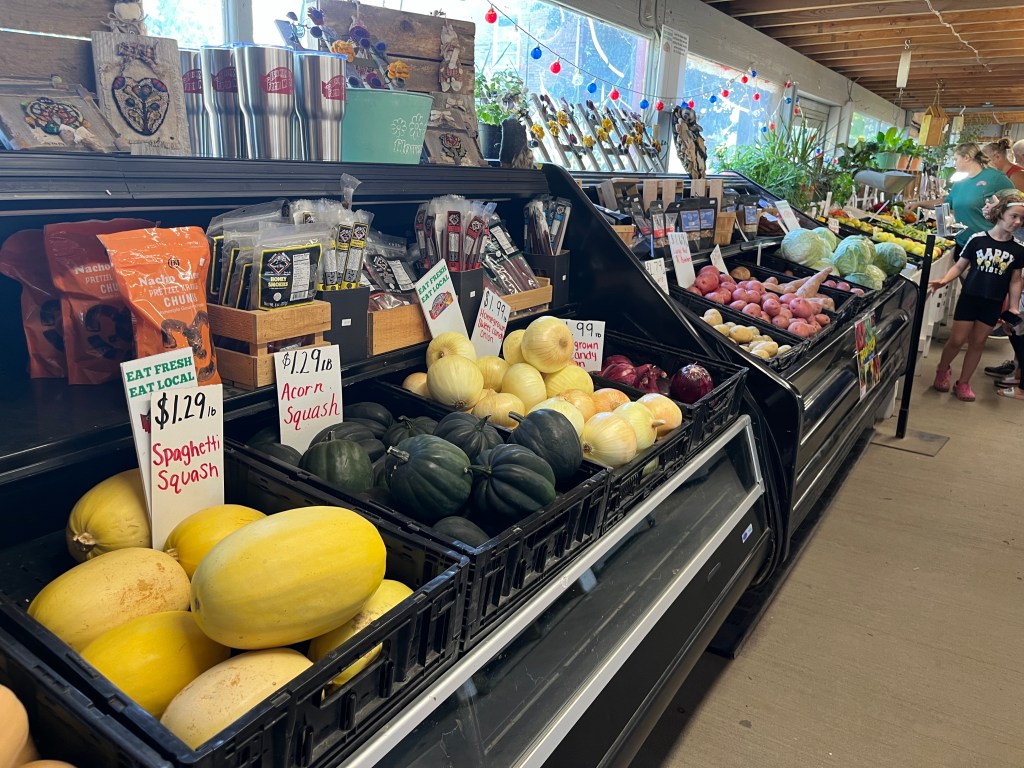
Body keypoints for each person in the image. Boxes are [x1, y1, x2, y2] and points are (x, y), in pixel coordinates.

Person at [928, 192, 1024, 401]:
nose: (1018, 222)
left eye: (1022, 219)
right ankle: (943, 369)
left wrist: (1013, 306)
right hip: (970, 297)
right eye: (1014, 216)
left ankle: (963, 382)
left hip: (993, 302)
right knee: (957, 340)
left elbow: (1016, 280)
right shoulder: (978, 240)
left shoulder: (1018, 250)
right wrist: (944, 280)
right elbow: (960, 266)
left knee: (978, 342)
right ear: (1000, 213)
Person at [910, 142, 1015, 251]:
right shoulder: (960, 182)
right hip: (962, 243)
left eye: (956, 159)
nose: (954, 163)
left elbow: (1016, 203)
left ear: (966, 158)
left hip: (987, 247)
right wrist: (918, 204)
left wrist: (999, 211)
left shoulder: (996, 178)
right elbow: (946, 202)